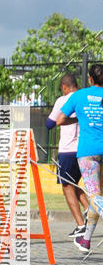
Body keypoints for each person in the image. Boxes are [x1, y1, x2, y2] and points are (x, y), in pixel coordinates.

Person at [57, 62, 103, 254]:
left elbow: (59, 120)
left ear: (90, 79)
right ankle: (86, 240)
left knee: (95, 196)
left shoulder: (79, 95)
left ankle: (85, 238)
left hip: (88, 152)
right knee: (97, 197)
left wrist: (78, 118)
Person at [46, 74, 89, 237]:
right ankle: (88, 210)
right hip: (85, 148)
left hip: (68, 149)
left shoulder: (62, 100)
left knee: (67, 186)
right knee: (74, 183)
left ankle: (80, 226)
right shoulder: (85, 97)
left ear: (64, 87)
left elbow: (50, 123)